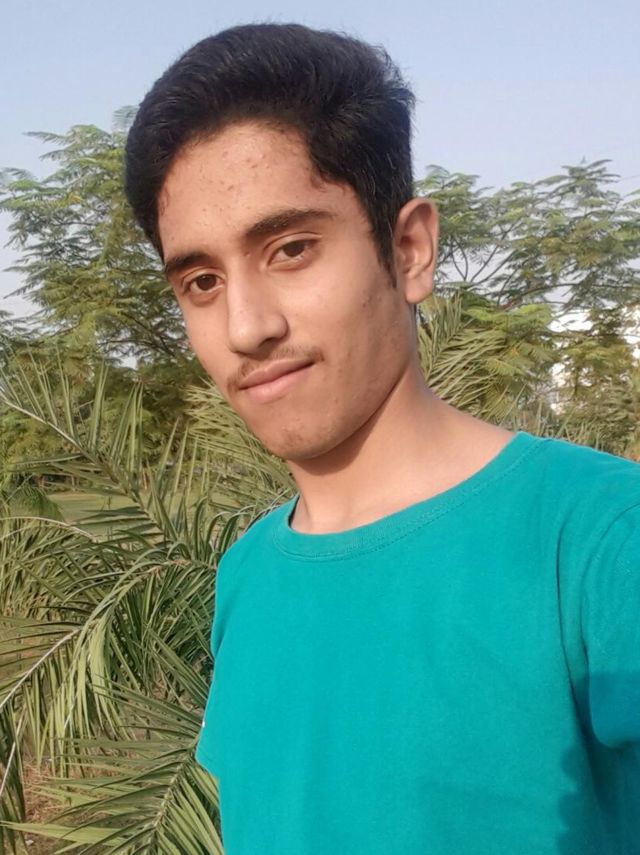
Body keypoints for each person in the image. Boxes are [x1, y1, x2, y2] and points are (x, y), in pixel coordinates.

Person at [124, 23, 640, 855]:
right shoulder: (247, 574)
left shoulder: (599, 540)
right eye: (202, 281)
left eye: (291, 248)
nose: (246, 326)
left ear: (409, 249)